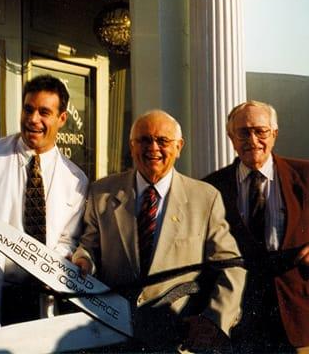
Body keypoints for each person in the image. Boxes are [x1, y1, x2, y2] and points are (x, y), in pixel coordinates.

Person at [72, 110, 246, 352]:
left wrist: (214, 321)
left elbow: (231, 264)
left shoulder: (205, 198)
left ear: (179, 147)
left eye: (163, 141)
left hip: (176, 337)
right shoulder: (102, 192)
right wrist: (83, 260)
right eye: (144, 140)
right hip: (114, 335)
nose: (153, 148)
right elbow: (89, 245)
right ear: (132, 146)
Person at [0, 74, 89, 330]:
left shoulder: (75, 179)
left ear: (62, 119)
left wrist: (49, 269)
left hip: (41, 296)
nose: (33, 119)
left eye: (44, 112)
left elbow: (69, 239)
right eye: (28, 109)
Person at [203, 100, 309, 353]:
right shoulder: (210, 188)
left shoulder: (305, 176)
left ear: (274, 134)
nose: (252, 139)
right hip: (238, 320)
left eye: (260, 131)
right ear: (230, 137)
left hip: (299, 317)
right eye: (243, 132)